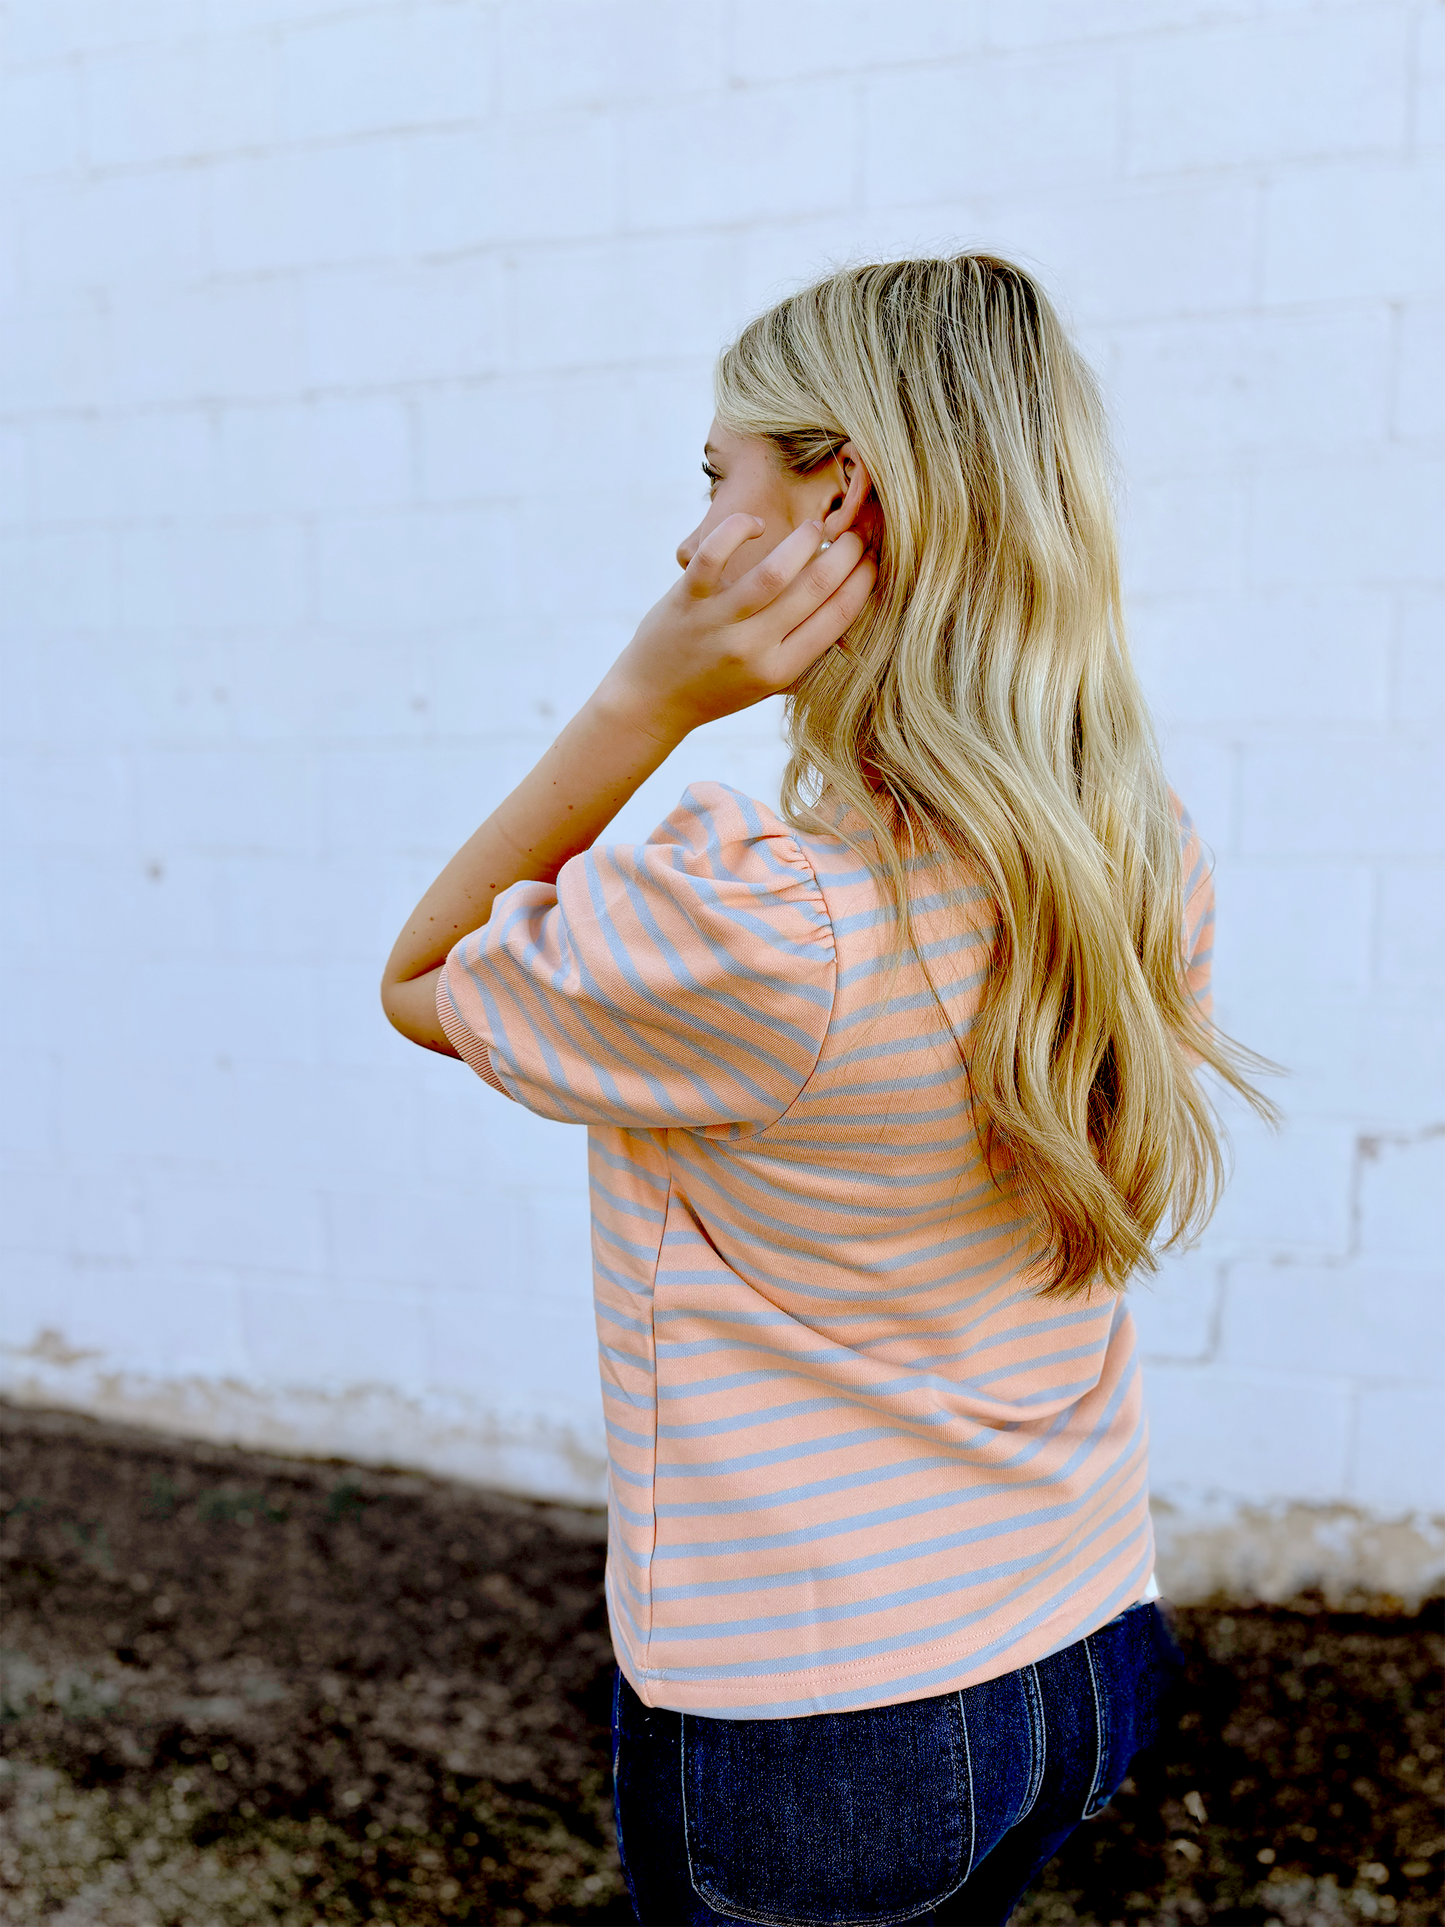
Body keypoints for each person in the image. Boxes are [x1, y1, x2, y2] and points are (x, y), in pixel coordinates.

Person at [381, 254, 1274, 1926]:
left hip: (830, 1721)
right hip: (1081, 1642)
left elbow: (421, 977)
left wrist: (643, 698)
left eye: (716, 474)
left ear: (836, 496)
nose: (689, 536)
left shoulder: (754, 918)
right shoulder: (1135, 851)